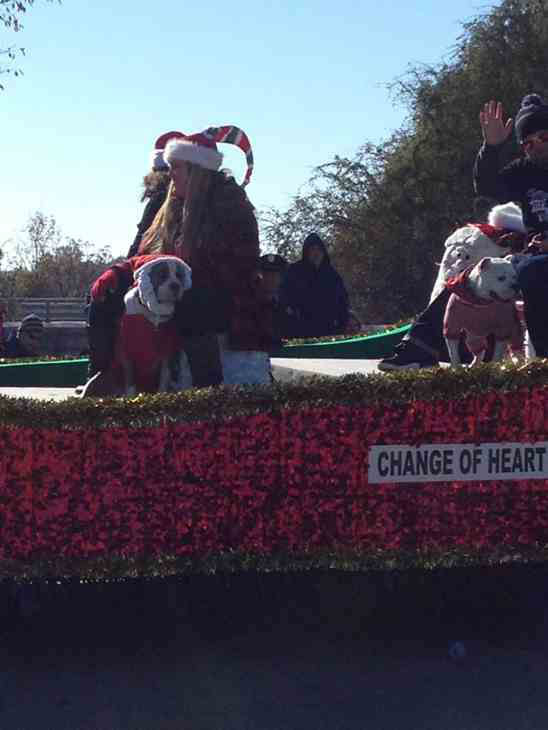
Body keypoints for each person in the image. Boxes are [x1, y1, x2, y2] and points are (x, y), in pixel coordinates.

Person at [82, 125, 276, 395]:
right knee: (106, 295)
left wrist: (187, 269)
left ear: (197, 170)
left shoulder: (231, 203)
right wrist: (121, 273)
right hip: (174, 282)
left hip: (228, 299)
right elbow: (145, 253)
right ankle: (105, 376)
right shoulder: (170, 206)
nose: (170, 174)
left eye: (177, 167)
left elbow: (241, 265)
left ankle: (207, 390)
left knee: (192, 306)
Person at [474, 95, 548, 356]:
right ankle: (417, 347)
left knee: (533, 270)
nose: (536, 147)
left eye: (543, 137)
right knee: (472, 276)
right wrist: (491, 147)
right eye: (527, 143)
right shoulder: (523, 171)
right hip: (536, 255)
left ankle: (541, 358)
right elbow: (486, 187)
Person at [279, 232, 349, 338]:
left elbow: (342, 301)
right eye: (312, 250)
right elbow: (284, 297)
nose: (316, 253)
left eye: (318, 250)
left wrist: (342, 323)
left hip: (329, 331)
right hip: (300, 331)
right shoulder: (294, 272)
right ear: (306, 252)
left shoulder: (331, 275)